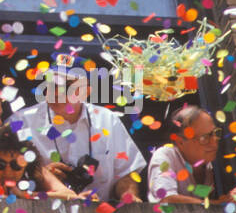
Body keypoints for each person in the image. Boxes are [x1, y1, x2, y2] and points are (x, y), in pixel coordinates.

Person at [14, 65, 145, 203]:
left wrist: (128, 196)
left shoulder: (107, 119)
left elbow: (126, 174)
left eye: (67, 85)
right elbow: (4, 173)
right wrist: (41, 177)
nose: (56, 91)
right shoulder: (22, 121)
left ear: (86, 91)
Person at [147, 104, 236, 205]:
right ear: (180, 142)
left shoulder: (213, 166)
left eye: (215, 133)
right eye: (204, 138)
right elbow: (166, 199)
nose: (214, 141)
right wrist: (219, 204)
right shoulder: (165, 156)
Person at [0, 133, 79, 199]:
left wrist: (27, 195)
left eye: (16, 165)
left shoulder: (36, 168)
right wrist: (3, 198)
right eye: (0, 165)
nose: (8, 172)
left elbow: (70, 194)